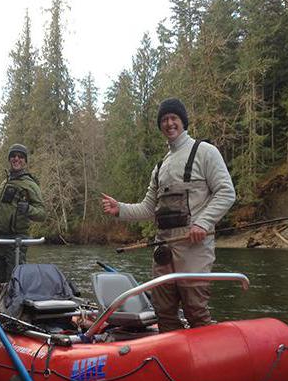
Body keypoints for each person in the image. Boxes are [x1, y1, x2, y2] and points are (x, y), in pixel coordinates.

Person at [101, 98, 236, 333]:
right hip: (163, 248)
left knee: (196, 309)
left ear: (183, 121)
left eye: (174, 118)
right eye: (164, 120)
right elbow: (147, 208)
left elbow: (226, 192)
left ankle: (206, 358)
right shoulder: (160, 166)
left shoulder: (205, 152)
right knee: (164, 312)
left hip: (194, 246)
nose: (169, 123)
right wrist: (119, 209)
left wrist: (203, 223)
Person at [0, 143, 46, 288]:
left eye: (20, 156)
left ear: (25, 161)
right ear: (9, 159)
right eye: (13, 156)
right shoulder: (4, 183)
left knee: (13, 284)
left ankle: (14, 309)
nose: (16, 159)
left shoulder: (30, 184)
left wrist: (28, 209)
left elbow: (42, 214)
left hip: (16, 242)